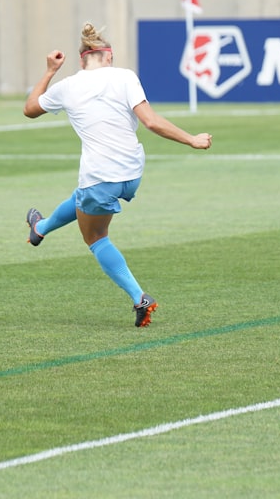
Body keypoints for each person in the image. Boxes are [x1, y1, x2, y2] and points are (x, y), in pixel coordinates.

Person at [23, 22, 213, 327]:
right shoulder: (125, 77)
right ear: (108, 55)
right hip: (132, 173)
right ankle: (40, 228)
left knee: (96, 236)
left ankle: (140, 298)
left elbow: (30, 108)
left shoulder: (68, 86)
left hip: (101, 175)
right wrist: (191, 139)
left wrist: (49, 71)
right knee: (82, 198)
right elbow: (150, 122)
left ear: (82, 59)